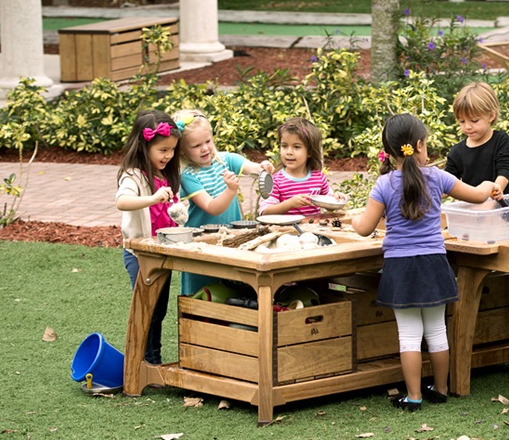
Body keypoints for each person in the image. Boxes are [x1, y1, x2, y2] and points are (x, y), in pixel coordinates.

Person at [352, 113, 496, 411]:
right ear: (419, 145)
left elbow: (364, 227)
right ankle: (441, 389)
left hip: (400, 268)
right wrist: (492, 184)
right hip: (433, 263)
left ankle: (414, 396)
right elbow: (478, 195)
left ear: (390, 151)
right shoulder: (438, 177)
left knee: (409, 336)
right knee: (436, 331)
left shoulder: (383, 184)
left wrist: (353, 218)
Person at [444, 82, 509, 341]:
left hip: (499, 215)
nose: (467, 127)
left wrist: (495, 191)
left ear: (491, 115)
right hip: (470, 218)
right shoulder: (457, 152)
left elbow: (504, 171)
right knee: (470, 270)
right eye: (461, 121)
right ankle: (475, 325)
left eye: (473, 120)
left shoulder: (501, 141)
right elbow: (448, 182)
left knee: (505, 275)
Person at [174, 109, 273, 295]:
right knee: (200, 290)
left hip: (230, 238)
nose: (204, 148)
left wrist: (263, 167)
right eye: (196, 146)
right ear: (183, 151)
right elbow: (212, 207)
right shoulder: (188, 176)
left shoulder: (227, 160)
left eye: (207, 141)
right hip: (201, 243)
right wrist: (230, 190)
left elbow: (253, 167)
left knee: (229, 288)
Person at [114, 109, 181, 365]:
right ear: (144, 147)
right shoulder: (133, 175)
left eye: (172, 149)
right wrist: (152, 198)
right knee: (147, 310)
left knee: (159, 310)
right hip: (140, 255)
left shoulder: (165, 174)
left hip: (162, 252)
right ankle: (143, 363)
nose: (169, 155)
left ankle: (152, 361)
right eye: (163, 150)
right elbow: (122, 201)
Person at [260, 117, 346, 216]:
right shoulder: (275, 180)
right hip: (286, 230)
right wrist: (290, 203)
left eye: (296, 147)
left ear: (309, 152)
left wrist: (336, 198)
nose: (289, 152)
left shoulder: (318, 177)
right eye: (284, 146)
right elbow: (265, 212)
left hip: (314, 229)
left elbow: (328, 204)